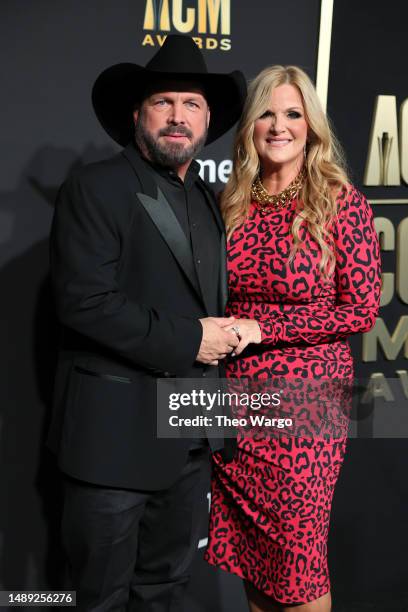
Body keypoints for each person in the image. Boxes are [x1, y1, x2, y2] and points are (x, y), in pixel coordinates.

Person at [47, 35, 246, 611]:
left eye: (192, 104)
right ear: (137, 113)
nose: (178, 116)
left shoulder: (210, 199)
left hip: (189, 436)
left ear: (208, 120)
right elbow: (85, 302)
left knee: (165, 589)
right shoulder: (97, 187)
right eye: (164, 102)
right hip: (112, 441)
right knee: (99, 597)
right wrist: (193, 339)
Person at [204, 65, 381, 611]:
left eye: (292, 114)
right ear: (250, 124)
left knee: (298, 564)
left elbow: (362, 309)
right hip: (236, 404)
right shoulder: (231, 202)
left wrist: (265, 328)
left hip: (308, 408)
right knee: (258, 561)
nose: (278, 126)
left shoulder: (338, 201)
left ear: (312, 127)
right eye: (266, 112)